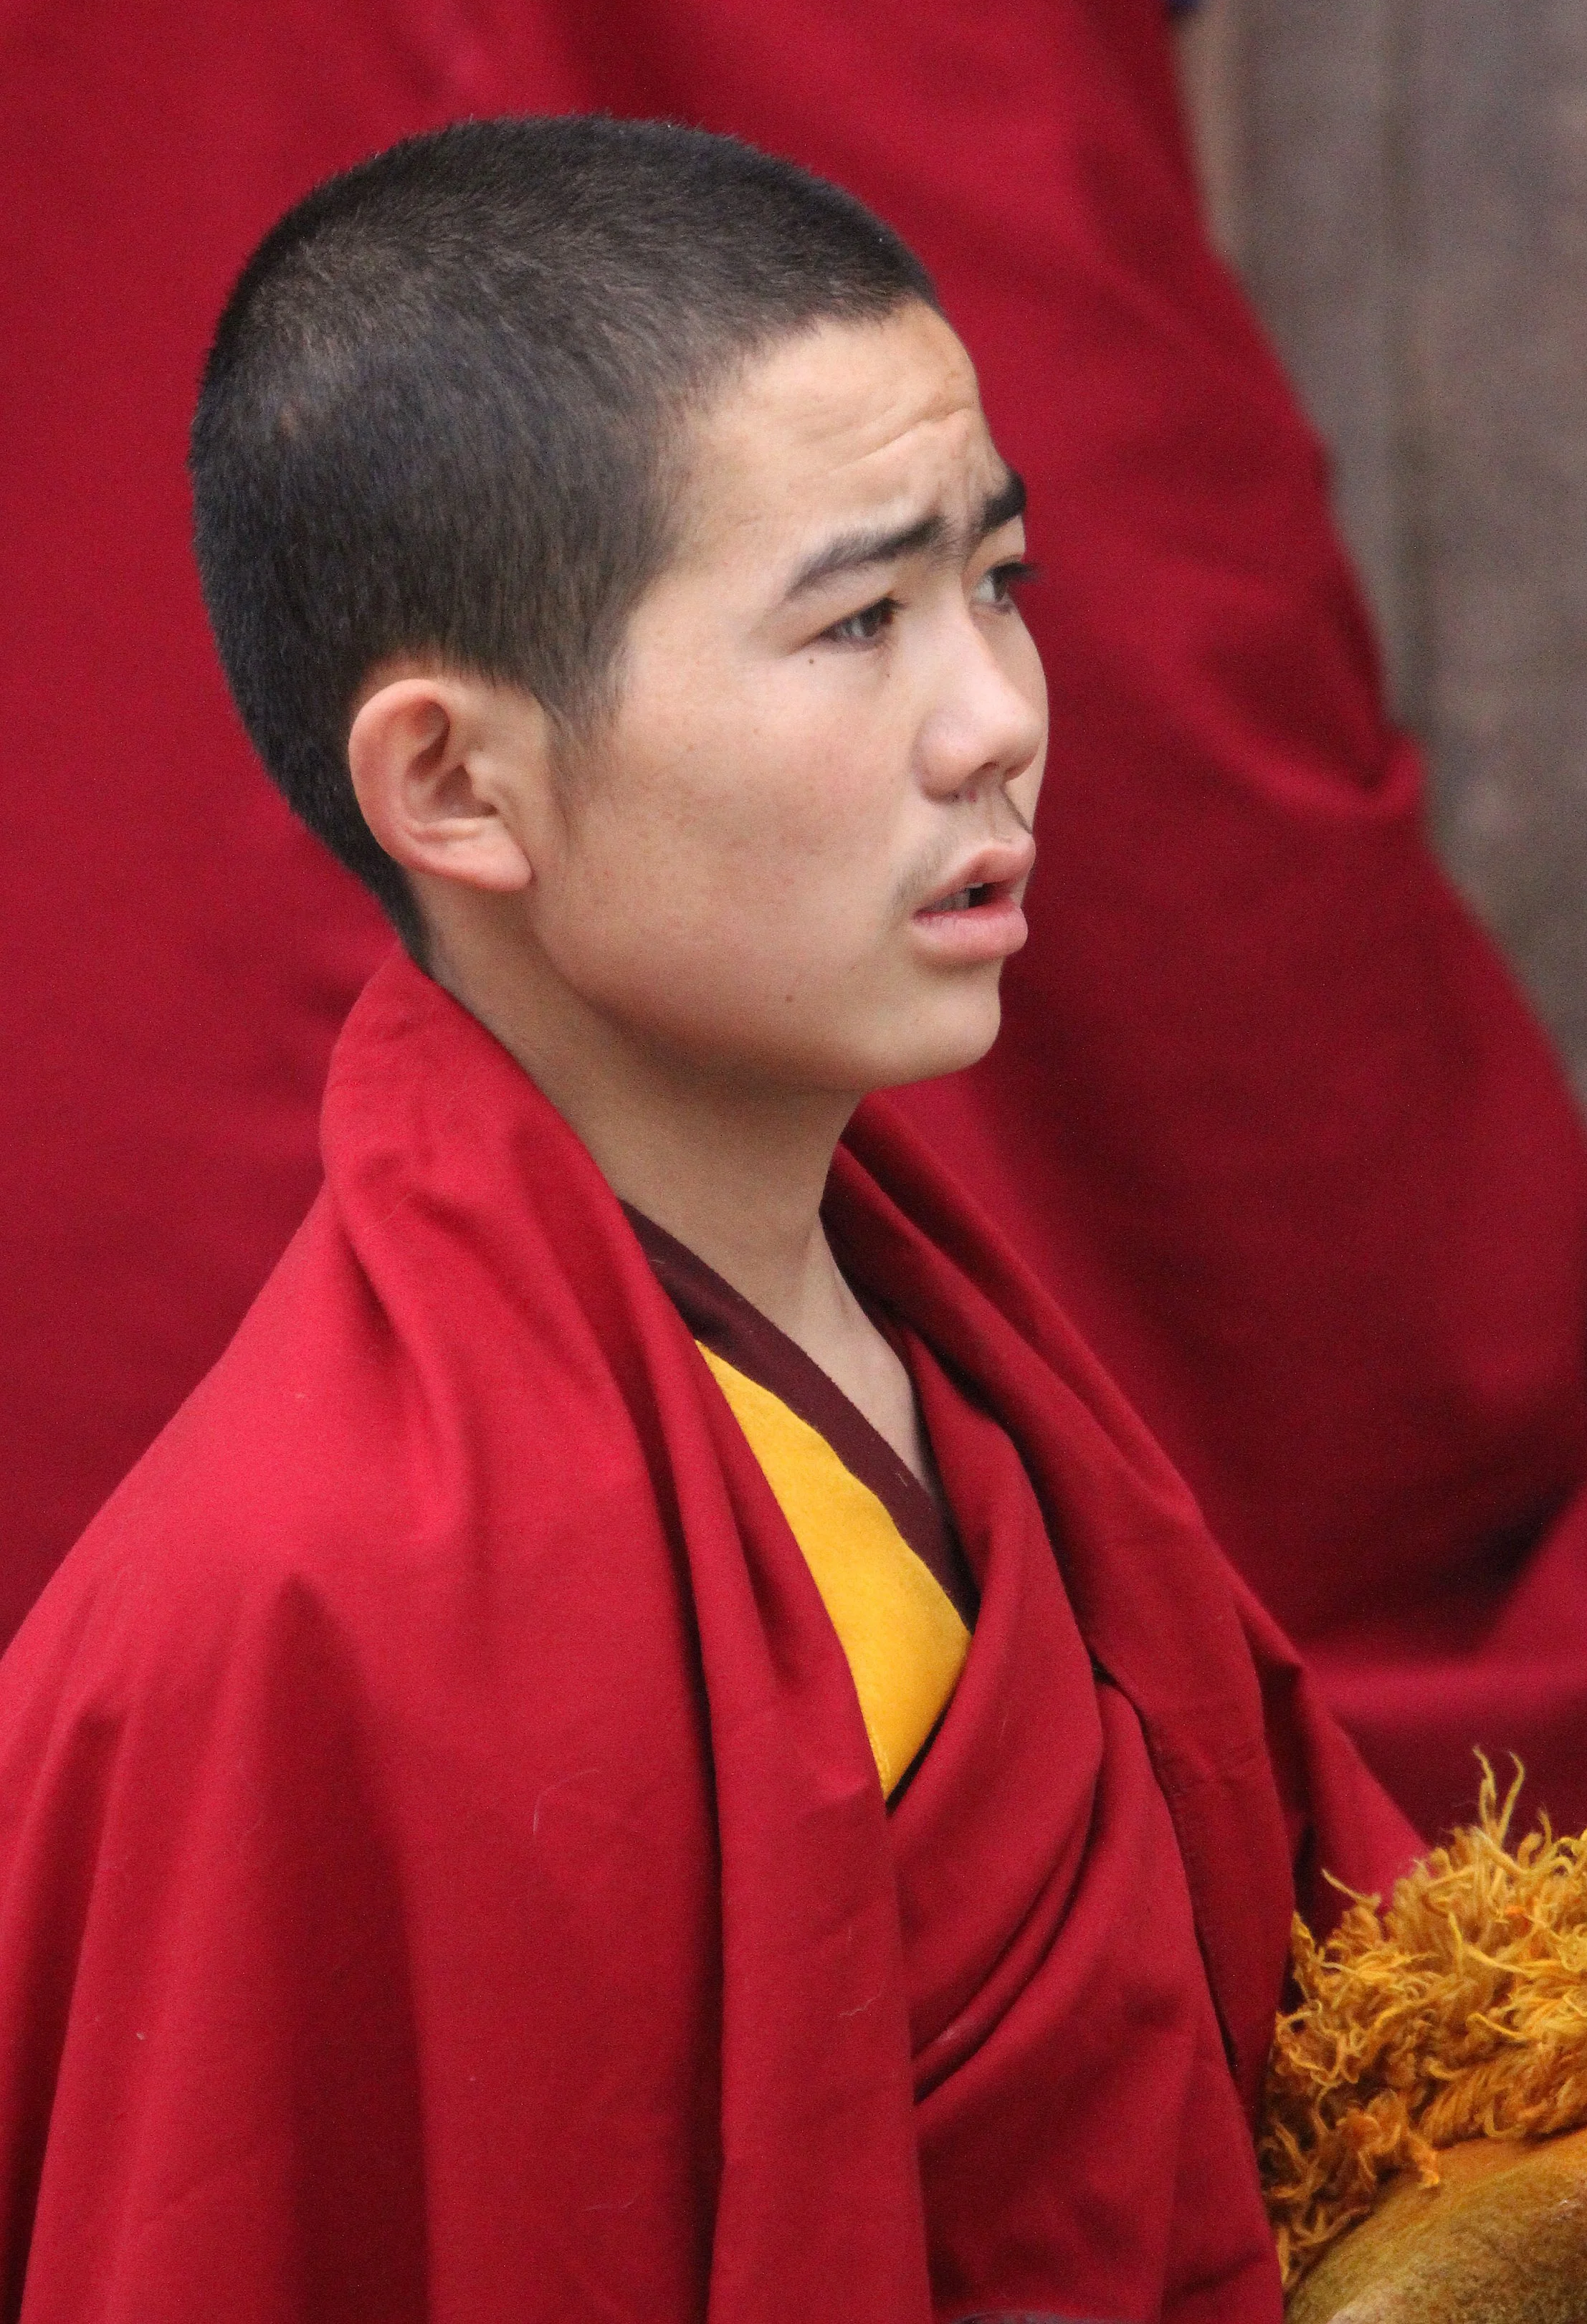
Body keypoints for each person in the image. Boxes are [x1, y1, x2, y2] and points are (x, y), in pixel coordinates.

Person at [0, 116, 1416, 2323]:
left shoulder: (937, 1351)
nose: (998, 720)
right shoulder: (311, 1591)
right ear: (456, 784)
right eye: (856, 619)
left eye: (997, 582)